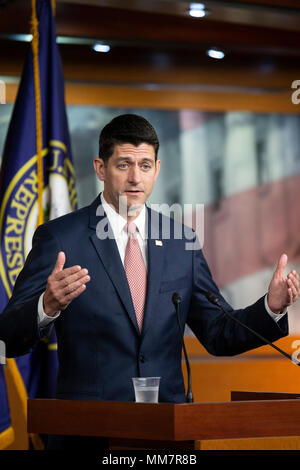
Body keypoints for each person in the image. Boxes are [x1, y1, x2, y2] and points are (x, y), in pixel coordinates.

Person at [0, 114, 299, 450]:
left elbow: (218, 333)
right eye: (123, 164)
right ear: (101, 168)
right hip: (89, 434)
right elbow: (8, 337)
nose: (134, 178)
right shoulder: (60, 238)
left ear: (157, 169)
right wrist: (46, 306)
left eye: (144, 165)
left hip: (167, 436)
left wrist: (271, 307)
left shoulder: (180, 242)